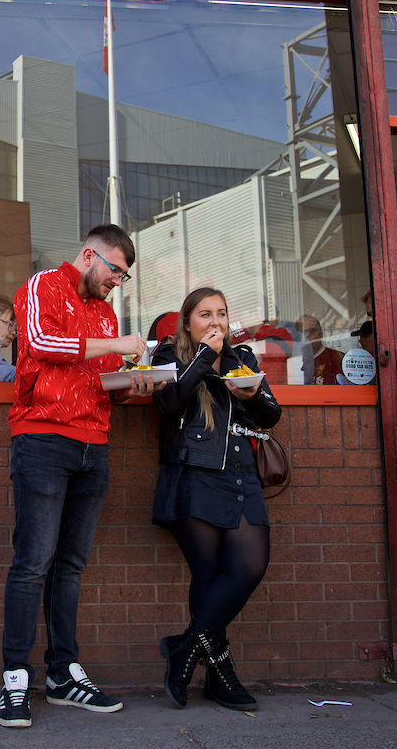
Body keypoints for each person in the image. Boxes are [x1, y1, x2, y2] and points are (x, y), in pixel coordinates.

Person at [0, 224, 161, 729]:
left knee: (69, 566)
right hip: (43, 439)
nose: (118, 280)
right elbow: (44, 342)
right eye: (115, 269)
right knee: (33, 564)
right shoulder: (44, 284)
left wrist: (134, 384)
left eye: (124, 275)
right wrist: (113, 342)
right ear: (89, 255)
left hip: (95, 445)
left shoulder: (107, 311)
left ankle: (63, 673)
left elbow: (103, 380)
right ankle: (14, 681)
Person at [151, 287, 281, 712]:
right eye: (205, 314)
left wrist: (254, 396)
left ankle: (185, 647)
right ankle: (221, 677)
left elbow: (271, 414)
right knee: (208, 577)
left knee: (249, 567)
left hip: (241, 473)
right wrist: (205, 358)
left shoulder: (243, 359)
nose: (216, 322)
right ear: (188, 321)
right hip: (194, 474)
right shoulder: (168, 356)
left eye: (221, 313)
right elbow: (169, 402)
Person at [296, 314, 344, 385]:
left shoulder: (338, 359)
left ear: (321, 334)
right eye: (301, 332)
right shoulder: (292, 361)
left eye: (311, 331)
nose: (306, 335)